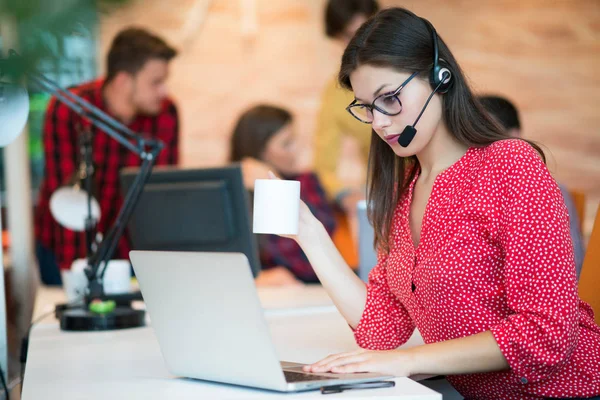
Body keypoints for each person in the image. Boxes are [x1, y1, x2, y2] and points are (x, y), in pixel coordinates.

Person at [272, 8, 600, 399]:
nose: (379, 121)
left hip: (567, 391)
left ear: (440, 78)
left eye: (390, 98)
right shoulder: (405, 189)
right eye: (366, 106)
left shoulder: (510, 165)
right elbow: (380, 328)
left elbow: (545, 335)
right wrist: (309, 234)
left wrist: (411, 360)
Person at [35, 27, 180, 285]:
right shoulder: (70, 109)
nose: (164, 91)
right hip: (66, 248)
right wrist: (78, 275)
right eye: (156, 82)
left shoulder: (167, 112)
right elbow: (68, 199)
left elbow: (162, 195)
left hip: (130, 249)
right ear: (123, 80)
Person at [478, 95, 586, 278]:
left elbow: (568, 269)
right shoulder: (468, 190)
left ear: (514, 136)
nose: (476, 147)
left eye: (485, 135)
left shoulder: (544, 192)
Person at [230, 105, 336, 286]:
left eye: (295, 140)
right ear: (260, 152)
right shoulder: (235, 190)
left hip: (311, 288)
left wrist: (277, 188)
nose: (297, 149)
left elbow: (311, 252)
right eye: (287, 144)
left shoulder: (307, 182)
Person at [313, 0, 379, 224]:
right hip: (383, 193)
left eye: (363, 32)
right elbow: (325, 165)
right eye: (348, 36)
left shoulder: (415, 68)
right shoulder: (337, 93)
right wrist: (346, 195)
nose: (358, 44)